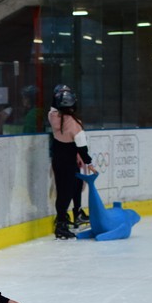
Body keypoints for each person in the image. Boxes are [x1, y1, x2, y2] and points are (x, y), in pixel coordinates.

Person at [48, 85, 96, 239]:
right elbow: (82, 149)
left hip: (57, 160)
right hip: (69, 162)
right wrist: (89, 163)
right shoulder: (76, 125)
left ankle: (62, 220)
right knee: (67, 193)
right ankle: (62, 224)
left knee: (63, 192)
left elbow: (53, 107)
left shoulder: (53, 116)